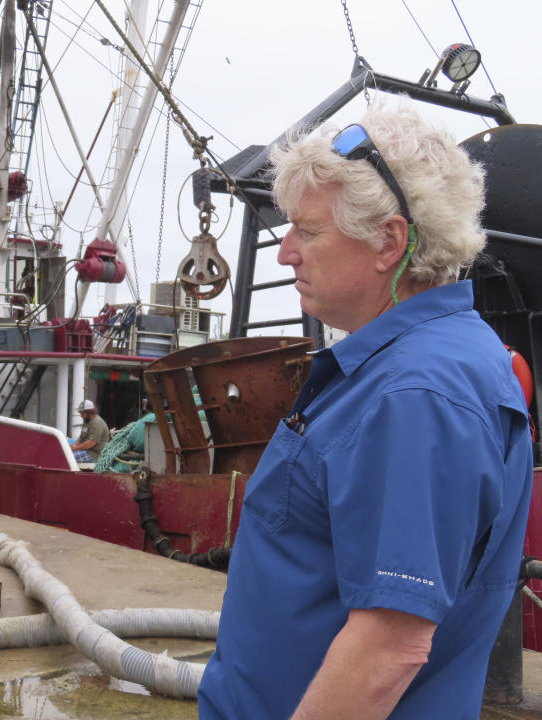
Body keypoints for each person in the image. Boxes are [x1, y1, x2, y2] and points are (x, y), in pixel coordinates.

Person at [198, 103, 534, 719]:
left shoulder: (416, 394)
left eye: (308, 230)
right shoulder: (422, 364)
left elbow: (389, 647)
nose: (285, 253)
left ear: (389, 242)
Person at [70, 399, 110, 463]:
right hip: (86, 450)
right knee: (66, 454)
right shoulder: (87, 421)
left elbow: (90, 443)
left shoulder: (97, 423)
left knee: (68, 458)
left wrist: (75, 448)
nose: (81, 415)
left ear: (89, 412)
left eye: (82, 413)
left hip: (94, 455)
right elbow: (81, 437)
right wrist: (73, 446)